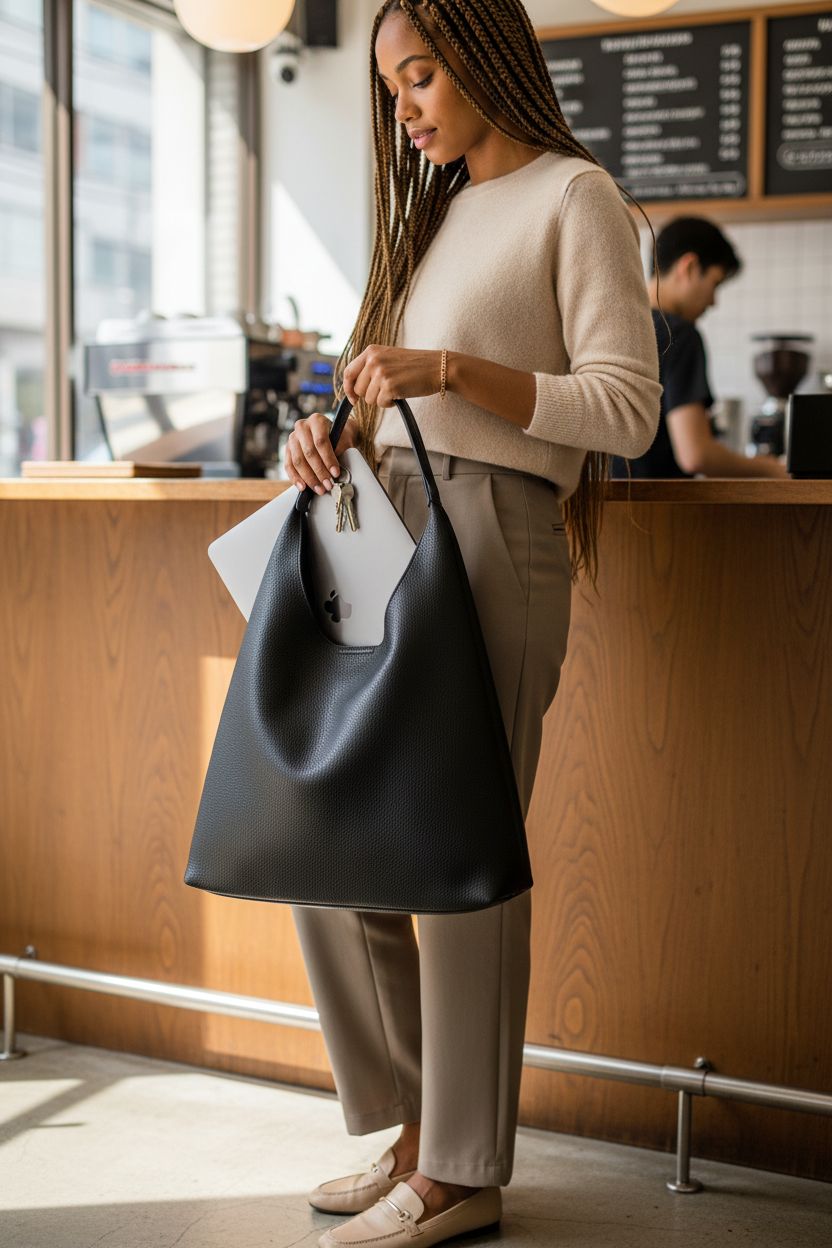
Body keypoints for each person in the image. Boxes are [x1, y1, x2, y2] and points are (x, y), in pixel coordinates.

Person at [282, 3, 661, 1245]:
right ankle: (413, 1132)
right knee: (332, 844)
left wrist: (447, 371)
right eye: (390, 84)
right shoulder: (431, 216)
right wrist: (327, 436)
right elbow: (388, 395)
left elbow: (623, 411)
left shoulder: (575, 197)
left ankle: (462, 1168)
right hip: (381, 530)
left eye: (421, 74)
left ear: (489, 57)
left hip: (495, 539)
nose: (404, 104)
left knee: (457, 863)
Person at [611, 216, 789, 480]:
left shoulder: (611, 323)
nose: (714, 301)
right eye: (715, 283)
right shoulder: (680, 334)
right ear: (690, 267)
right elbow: (695, 455)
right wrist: (771, 468)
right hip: (660, 511)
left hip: (598, 507)